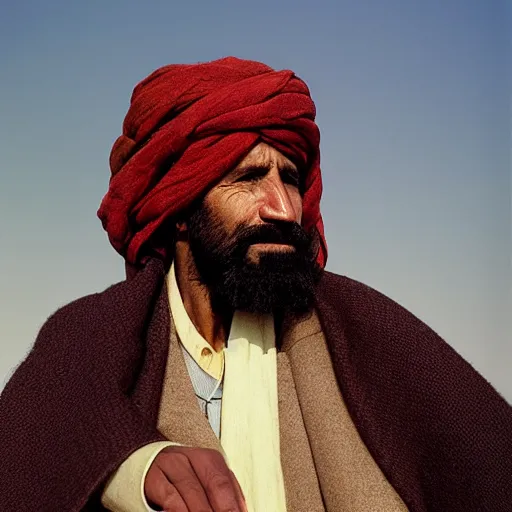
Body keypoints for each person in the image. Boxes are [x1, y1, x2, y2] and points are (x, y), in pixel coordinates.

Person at [0, 57, 511, 512]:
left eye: (289, 178)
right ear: (178, 210)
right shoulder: (89, 336)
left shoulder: (366, 330)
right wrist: (130, 470)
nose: (285, 209)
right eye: (249, 179)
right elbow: (33, 447)